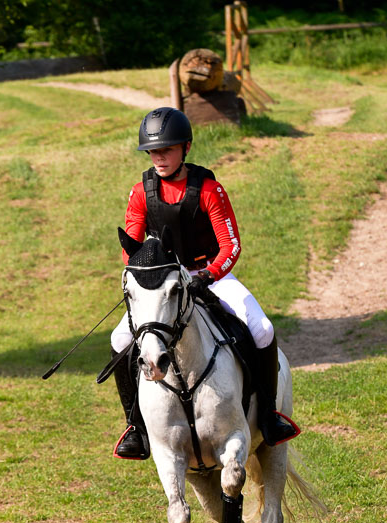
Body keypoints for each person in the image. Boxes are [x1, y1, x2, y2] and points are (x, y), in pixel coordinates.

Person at [111, 107, 297, 459]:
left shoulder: (209, 189)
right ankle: (135, 428)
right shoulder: (140, 193)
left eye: (166, 150)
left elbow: (231, 245)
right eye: (153, 152)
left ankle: (270, 416)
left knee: (262, 329)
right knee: (120, 339)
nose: (159, 158)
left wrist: (208, 275)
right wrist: (150, 274)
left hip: (209, 276)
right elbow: (131, 249)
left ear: (186, 148)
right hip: (165, 283)